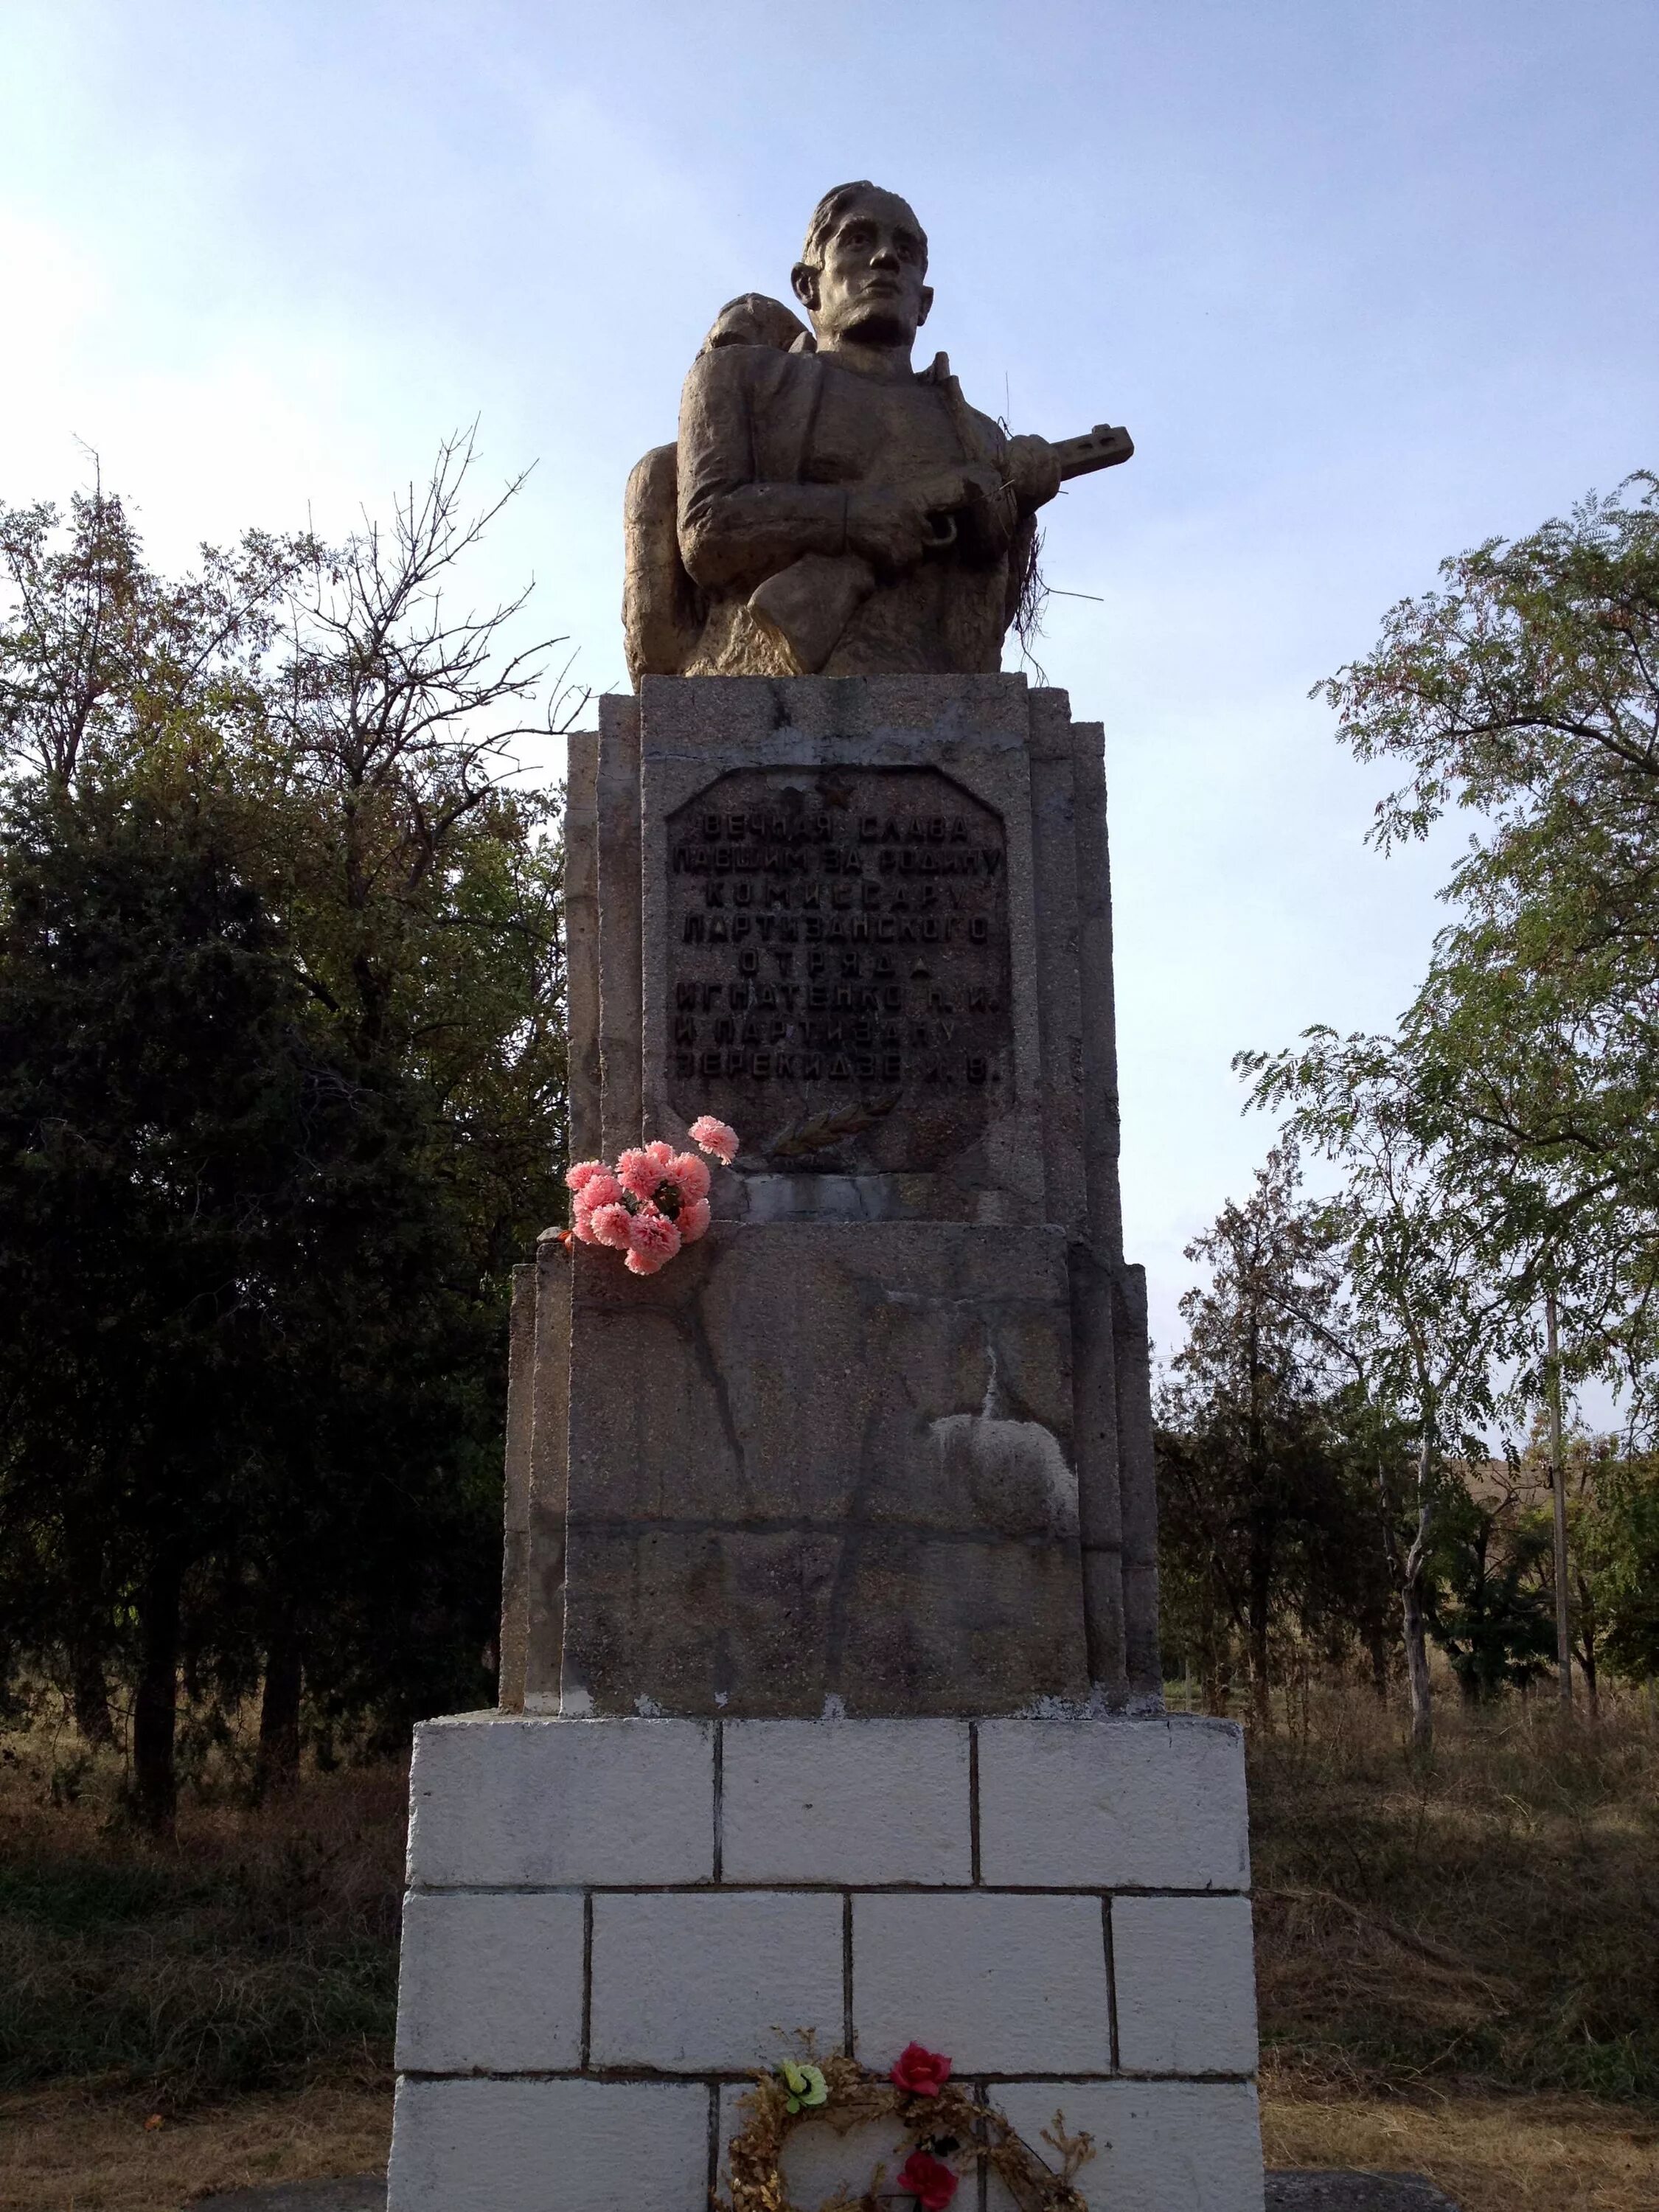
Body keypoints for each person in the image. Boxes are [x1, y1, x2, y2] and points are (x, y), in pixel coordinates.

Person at [624, 182, 1062, 682]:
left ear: (924, 303)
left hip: (932, 688)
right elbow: (708, 529)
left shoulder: (979, 434)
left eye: (906, 251)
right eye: (858, 240)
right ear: (808, 285)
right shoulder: (740, 379)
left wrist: (1016, 509)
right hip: (754, 684)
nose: (885, 259)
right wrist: (854, 520)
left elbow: (988, 618)